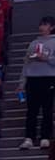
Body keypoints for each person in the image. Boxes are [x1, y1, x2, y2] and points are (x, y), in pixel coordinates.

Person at [22, 15, 55, 151]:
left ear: (52, 27)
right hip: (32, 78)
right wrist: (21, 82)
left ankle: (45, 137)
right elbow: (26, 64)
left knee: (47, 109)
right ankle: (29, 137)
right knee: (32, 110)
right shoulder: (33, 43)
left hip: (48, 78)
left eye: (45, 24)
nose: (42, 27)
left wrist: (46, 58)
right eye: (41, 24)